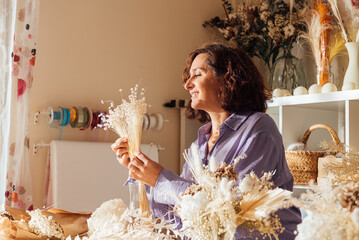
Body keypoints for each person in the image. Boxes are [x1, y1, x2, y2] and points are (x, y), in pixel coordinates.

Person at [111, 43, 301, 239]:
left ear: (226, 78)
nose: (187, 84)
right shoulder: (200, 144)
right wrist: (141, 172)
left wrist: (160, 179)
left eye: (198, 74)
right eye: (188, 77)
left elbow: (232, 208)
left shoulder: (259, 128)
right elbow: (178, 216)